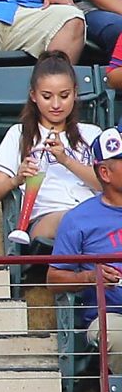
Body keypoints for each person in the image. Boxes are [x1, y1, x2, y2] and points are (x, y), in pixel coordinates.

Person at [0, 52, 101, 246]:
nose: (56, 105)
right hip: (46, 219)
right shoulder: (19, 134)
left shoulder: (91, 133)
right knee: (75, 221)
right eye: (47, 96)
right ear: (33, 95)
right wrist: (17, 178)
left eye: (64, 96)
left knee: (92, 221)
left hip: (93, 213)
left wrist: (66, 160)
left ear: (75, 93)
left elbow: (107, 184)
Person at [47, 126, 122, 349]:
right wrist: (90, 276)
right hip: (112, 317)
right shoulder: (78, 219)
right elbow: (53, 279)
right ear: (105, 173)